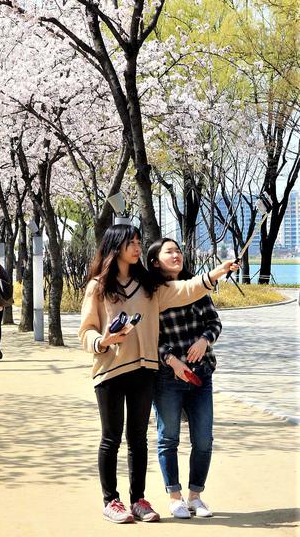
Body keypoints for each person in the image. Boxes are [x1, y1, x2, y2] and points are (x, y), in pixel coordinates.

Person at [78, 224, 238, 524]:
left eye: (139, 242)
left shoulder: (149, 287)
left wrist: (215, 274)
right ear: (116, 247)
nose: (138, 247)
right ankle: (111, 500)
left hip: (144, 370)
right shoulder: (98, 286)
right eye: (132, 243)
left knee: (138, 438)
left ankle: (138, 499)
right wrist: (103, 341)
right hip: (110, 370)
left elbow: (185, 289)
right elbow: (85, 330)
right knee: (111, 438)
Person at [147, 238, 221, 520]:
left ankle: (196, 496)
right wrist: (171, 359)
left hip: (201, 374)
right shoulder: (151, 294)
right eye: (169, 252)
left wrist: (204, 340)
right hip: (168, 377)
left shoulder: (197, 287)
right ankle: (175, 497)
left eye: (178, 250)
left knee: (203, 440)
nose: (177, 254)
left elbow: (214, 322)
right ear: (155, 261)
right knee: (169, 438)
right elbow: (149, 336)